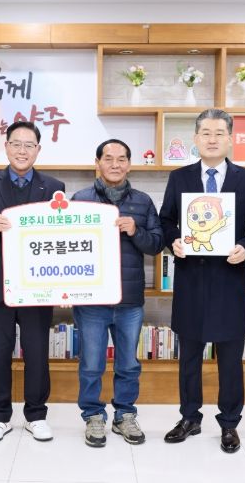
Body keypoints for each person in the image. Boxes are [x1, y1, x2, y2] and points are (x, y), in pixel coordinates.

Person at [159, 108, 245, 453]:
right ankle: (189, 417)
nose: (212, 139)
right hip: (190, 280)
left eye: (219, 133)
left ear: (230, 139)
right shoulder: (179, 178)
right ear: (195, 138)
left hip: (229, 280)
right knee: (189, 356)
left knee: (230, 360)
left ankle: (230, 423)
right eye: (206, 132)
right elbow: (166, 221)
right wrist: (174, 241)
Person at [0, 121, 65, 443]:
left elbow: (63, 234)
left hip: (38, 284)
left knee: (37, 352)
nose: (22, 150)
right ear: (6, 147)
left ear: (38, 150)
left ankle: (36, 415)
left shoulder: (54, 186)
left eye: (29, 145)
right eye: (16, 144)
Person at [71, 139, 164, 447]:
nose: (115, 164)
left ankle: (125, 415)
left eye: (121, 159)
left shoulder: (143, 201)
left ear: (129, 164)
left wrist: (136, 231)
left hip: (130, 299)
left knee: (128, 364)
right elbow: (67, 246)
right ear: (97, 163)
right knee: (91, 364)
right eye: (108, 158)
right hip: (92, 299)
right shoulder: (81, 199)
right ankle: (93, 416)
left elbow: (156, 244)